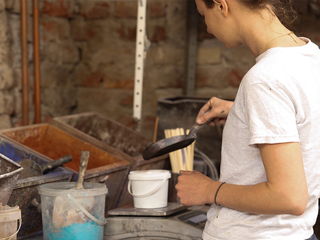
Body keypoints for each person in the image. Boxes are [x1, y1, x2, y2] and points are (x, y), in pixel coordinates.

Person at [175, 0, 320, 239]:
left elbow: (289, 197)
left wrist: (208, 190)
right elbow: (303, 118)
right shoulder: (309, 55)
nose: (208, 27)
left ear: (222, 6)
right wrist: (241, 111)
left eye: (204, 15)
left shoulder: (265, 79)